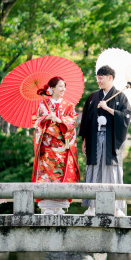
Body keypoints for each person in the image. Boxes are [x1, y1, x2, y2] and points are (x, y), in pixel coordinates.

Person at [78, 65, 131, 217]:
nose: (99, 81)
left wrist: (108, 108)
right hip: (94, 138)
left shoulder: (121, 97)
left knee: (112, 172)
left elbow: (126, 117)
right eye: (97, 78)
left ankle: (116, 207)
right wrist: (85, 139)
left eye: (101, 78)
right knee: (94, 170)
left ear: (110, 78)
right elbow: (86, 119)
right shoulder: (93, 97)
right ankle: (91, 207)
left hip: (111, 141)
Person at [32, 76, 80, 215]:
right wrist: (45, 118)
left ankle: (60, 207)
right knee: (46, 176)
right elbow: (35, 121)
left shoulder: (69, 105)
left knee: (61, 176)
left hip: (62, 147)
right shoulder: (43, 105)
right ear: (52, 88)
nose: (63, 89)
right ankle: (47, 207)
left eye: (64, 86)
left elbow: (72, 122)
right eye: (60, 86)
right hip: (47, 147)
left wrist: (59, 120)